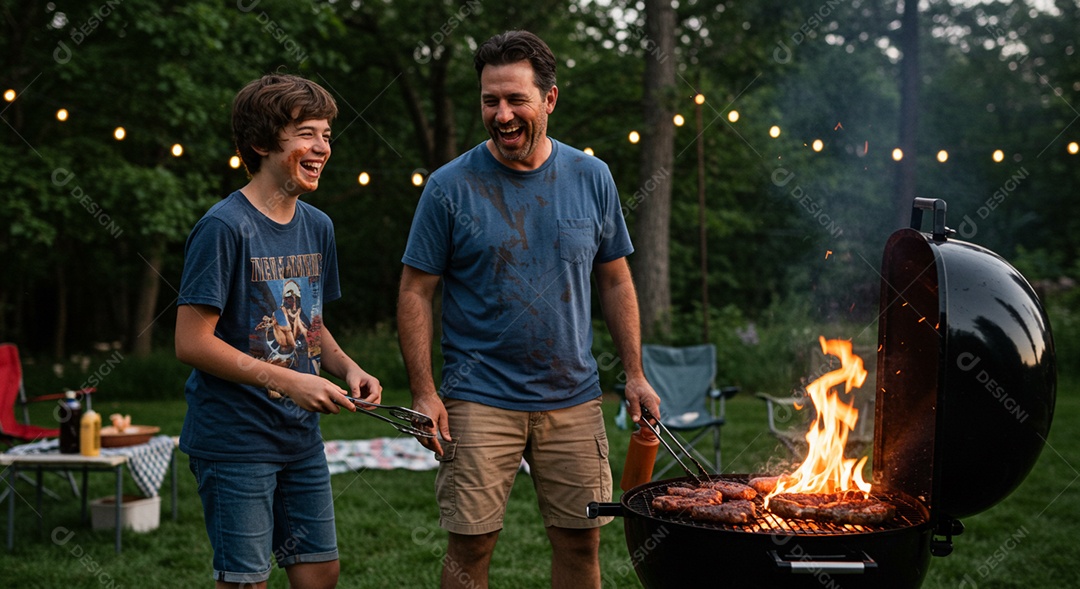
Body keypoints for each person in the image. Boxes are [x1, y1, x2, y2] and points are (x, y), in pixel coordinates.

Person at [397, 30, 660, 589]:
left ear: (550, 100)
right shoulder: (448, 187)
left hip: (574, 393)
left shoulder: (592, 178)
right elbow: (415, 290)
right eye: (491, 100)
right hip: (478, 395)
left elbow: (614, 279)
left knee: (580, 540)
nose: (503, 113)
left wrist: (633, 374)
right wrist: (424, 391)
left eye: (516, 99)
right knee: (470, 547)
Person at [175, 73, 382, 589]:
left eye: (327, 135)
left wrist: (348, 367)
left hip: (299, 438)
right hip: (234, 439)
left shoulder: (318, 225)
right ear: (262, 143)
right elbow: (191, 341)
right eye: (307, 133)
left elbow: (312, 324)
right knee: (246, 580)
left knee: (320, 572)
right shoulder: (225, 227)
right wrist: (289, 381)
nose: (321, 148)